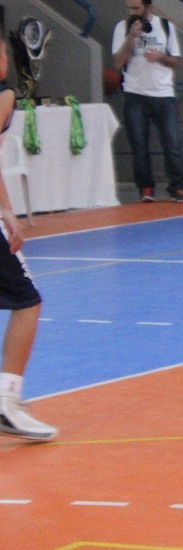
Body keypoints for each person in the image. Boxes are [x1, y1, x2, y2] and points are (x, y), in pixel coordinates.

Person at [0, 39, 56, 442]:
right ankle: (7, 399)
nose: (5, 60)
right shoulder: (4, 95)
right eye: (0, 54)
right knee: (27, 302)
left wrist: (6, 209)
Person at [111, 0, 183, 203]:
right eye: (130, 9)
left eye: (137, 8)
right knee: (139, 145)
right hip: (135, 93)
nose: (133, 13)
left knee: (172, 143)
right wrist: (131, 37)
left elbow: (176, 61)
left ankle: (177, 187)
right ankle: (146, 187)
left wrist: (160, 57)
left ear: (149, 7)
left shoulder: (165, 26)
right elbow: (117, 62)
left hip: (163, 94)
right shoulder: (122, 28)